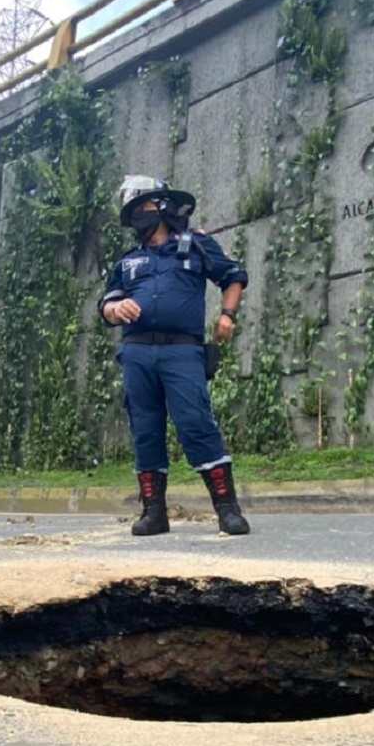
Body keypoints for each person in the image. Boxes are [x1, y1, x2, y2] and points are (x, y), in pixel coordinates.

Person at [98, 176, 251, 537]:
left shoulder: (195, 244)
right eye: (133, 211)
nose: (139, 215)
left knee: (196, 422)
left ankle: (227, 509)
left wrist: (227, 315)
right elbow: (105, 305)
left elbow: (233, 276)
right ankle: (154, 513)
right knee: (145, 430)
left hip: (182, 350)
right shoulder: (128, 261)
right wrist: (115, 309)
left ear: (163, 206)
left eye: (144, 206)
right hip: (137, 353)